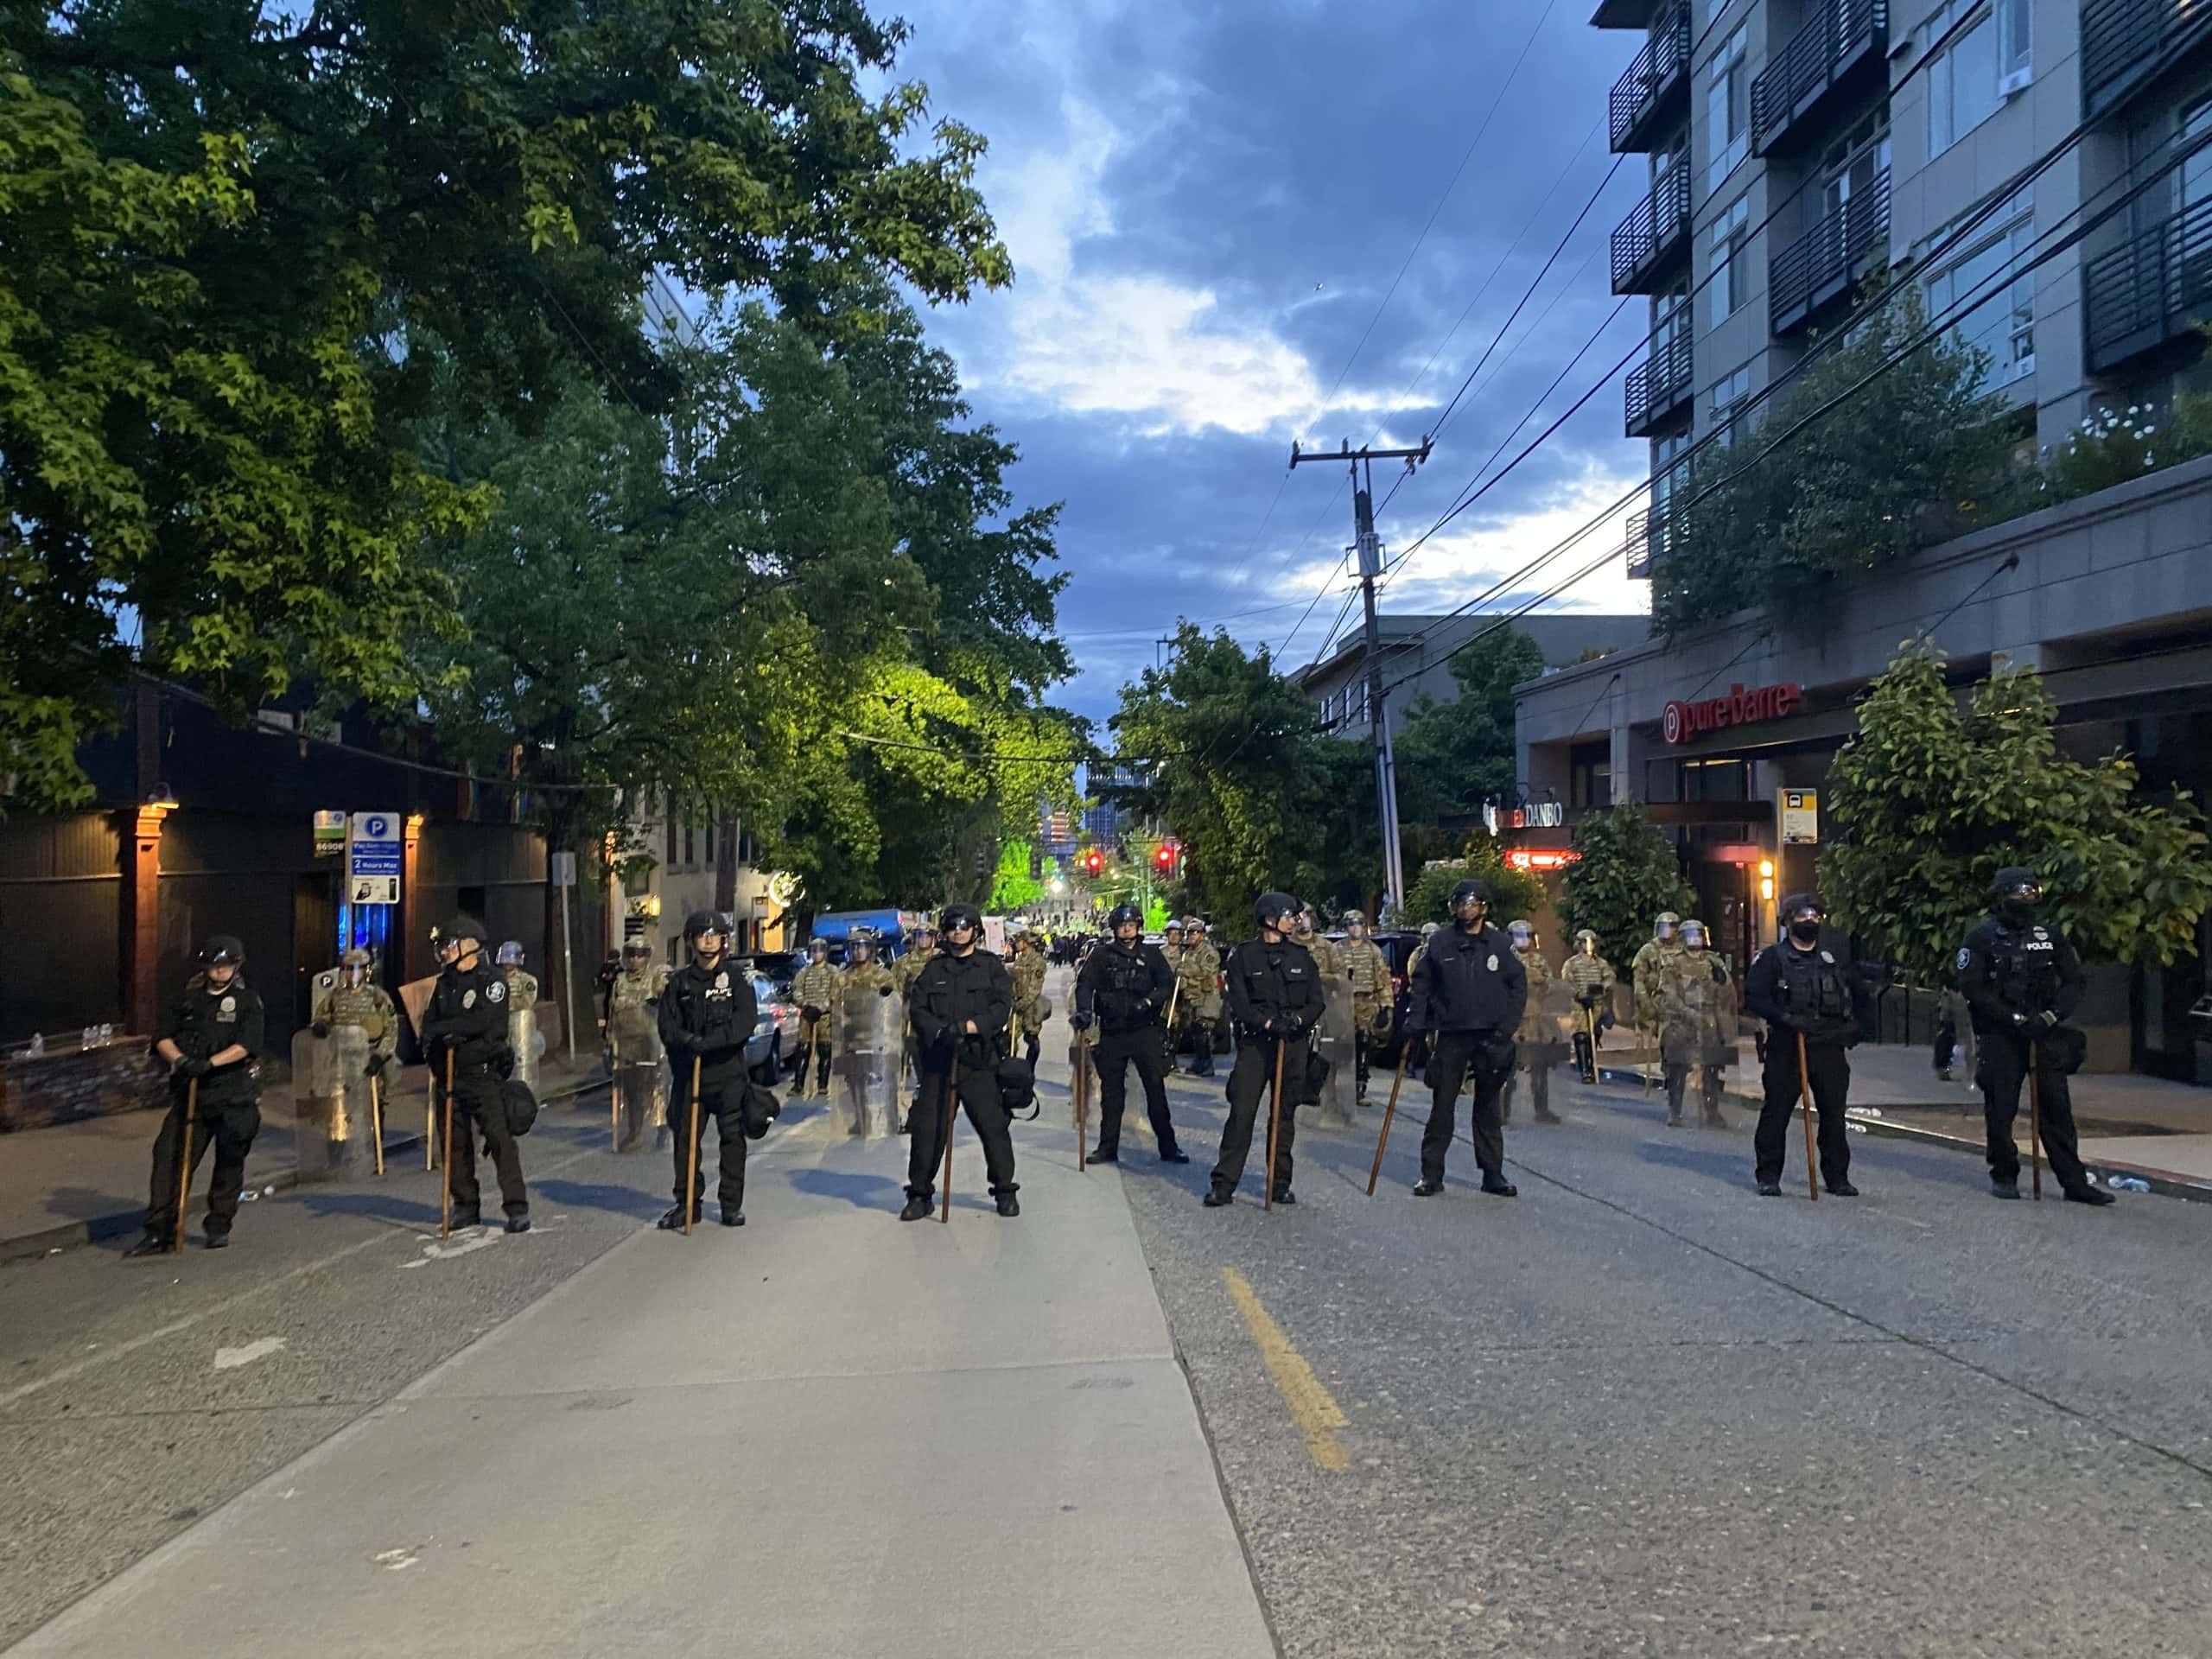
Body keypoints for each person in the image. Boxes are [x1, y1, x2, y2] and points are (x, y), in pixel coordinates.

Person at [1960, 868, 2113, 1205]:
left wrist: (2051, 1015)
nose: (2025, 900)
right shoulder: (1981, 938)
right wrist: (2012, 1018)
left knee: (2057, 1108)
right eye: (2018, 893)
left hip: (2044, 1031)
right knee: (2001, 1110)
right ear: (2001, 897)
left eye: (2031, 893)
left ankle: (2074, 1182)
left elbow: (2074, 981)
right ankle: (2004, 1173)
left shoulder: (2050, 936)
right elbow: (1973, 988)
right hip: (2002, 1034)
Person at [127, 936, 267, 1255]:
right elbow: (162, 1036)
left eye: (226, 965)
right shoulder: (186, 1000)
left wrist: (210, 1064)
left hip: (233, 1094)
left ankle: (218, 1224)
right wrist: (182, 1061)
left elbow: (247, 1045)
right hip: (191, 1092)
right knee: (170, 1157)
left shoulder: (247, 1002)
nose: (219, 971)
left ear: (236, 965)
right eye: (215, 965)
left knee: (229, 1162)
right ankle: (160, 1230)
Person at [1405, 880, 1527, 1198]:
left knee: (1488, 1108)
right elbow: (1422, 985)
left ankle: (1492, 1174)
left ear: (1484, 907)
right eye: (1460, 903)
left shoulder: (1500, 944)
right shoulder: (1441, 942)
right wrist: (1416, 1021)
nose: (1465, 909)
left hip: (1491, 1036)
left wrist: (1506, 1029)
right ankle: (1431, 1175)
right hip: (1451, 1035)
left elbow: (1518, 987)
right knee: (1442, 1106)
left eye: (1471, 903)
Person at [901, 902, 1019, 1220]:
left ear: (976, 931)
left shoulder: (990, 966)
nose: (958, 931)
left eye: (964, 926)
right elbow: (918, 1009)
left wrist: (970, 1027)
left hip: (978, 1061)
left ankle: (1005, 1190)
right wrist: (940, 1032)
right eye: (952, 926)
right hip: (941, 1061)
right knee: (928, 1130)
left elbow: (1001, 1005)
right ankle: (920, 1194)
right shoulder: (934, 970)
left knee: (993, 1127)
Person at [1205, 893, 1323, 1208]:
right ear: (1270, 918)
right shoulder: (1244, 956)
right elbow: (1240, 1004)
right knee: (1242, 1113)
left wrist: (1297, 1020)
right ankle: (1224, 1183)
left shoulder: (1302, 956)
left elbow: (1316, 1002)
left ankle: (1279, 1183)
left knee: (1283, 1117)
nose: (1295, 921)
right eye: (1289, 915)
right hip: (1257, 1044)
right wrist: (1268, 1024)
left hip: (1293, 1043)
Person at [1744, 893, 1865, 1197]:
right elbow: (1755, 998)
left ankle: (1837, 1176)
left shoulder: (1831, 959)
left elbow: (1858, 993)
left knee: (1834, 1114)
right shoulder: (1772, 959)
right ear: (1787, 921)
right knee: (1777, 1112)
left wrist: (1853, 1029)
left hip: (1827, 1048)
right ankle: (1769, 1175)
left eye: (1814, 916)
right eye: (1802, 916)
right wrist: (1784, 1018)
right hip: (1788, 1047)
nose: (1809, 921)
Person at [419, 916, 530, 1233]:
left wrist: (450, 1030)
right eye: (441, 946)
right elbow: (429, 1026)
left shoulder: (492, 982)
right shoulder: (444, 984)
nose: (443, 952)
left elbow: (484, 1024)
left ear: (469, 945)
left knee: (499, 1140)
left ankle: (516, 1207)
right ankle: (466, 1205)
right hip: (450, 1076)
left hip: (482, 1076)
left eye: (449, 944)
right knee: (454, 1144)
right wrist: (441, 1037)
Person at [656, 911, 760, 1230]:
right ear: (691, 940)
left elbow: (745, 1022)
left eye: (715, 935)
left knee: (732, 1138)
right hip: (691, 1075)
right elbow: (667, 1026)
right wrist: (688, 1041)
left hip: (727, 1073)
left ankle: (730, 1204)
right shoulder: (679, 983)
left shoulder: (737, 980)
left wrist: (712, 1043)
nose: (709, 940)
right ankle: (688, 1204)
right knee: (686, 1140)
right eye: (703, 934)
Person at [1072, 903, 1189, 1165]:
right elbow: (1085, 984)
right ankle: (1107, 1147)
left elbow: (1166, 985)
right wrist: (1084, 1012)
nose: (1127, 929)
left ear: (1138, 927)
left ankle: (1168, 1147)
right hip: (1113, 1031)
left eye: (1132, 925)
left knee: (1155, 1091)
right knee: (1112, 1096)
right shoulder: (1101, 955)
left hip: (1144, 1031)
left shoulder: (1151, 955)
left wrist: (1148, 1002)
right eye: (1122, 925)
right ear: (1114, 928)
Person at [1658, 919, 1733, 1129]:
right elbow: (1670, 995)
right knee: (1678, 1067)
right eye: (1691, 936)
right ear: (1683, 939)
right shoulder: (1672, 963)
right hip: (1681, 1021)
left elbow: (1727, 992)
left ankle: (1712, 1111)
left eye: (1698, 935)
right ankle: (1675, 1110)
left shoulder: (1712, 961)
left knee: (1712, 1066)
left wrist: (1723, 979)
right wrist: (1689, 1013)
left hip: (1709, 1018)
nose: (1696, 939)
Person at [604, 939, 671, 1150]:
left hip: (650, 1042)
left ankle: (662, 1129)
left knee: (656, 1087)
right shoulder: (620, 981)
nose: (635, 959)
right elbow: (612, 1011)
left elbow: (668, 1001)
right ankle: (633, 1132)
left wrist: (661, 1000)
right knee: (631, 1090)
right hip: (626, 1043)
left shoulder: (655, 979)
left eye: (640, 955)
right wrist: (609, 1038)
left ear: (647, 958)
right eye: (631, 955)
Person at [1503, 920, 1565, 1125]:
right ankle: (1503, 1112)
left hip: (1535, 1019)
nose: (1523, 940)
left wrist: (1541, 981)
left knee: (1540, 1066)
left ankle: (1542, 1110)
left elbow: (1551, 986)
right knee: (1507, 1068)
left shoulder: (1539, 961)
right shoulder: (1504, 959)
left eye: (1527, 935)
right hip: (1511, 1020)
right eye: (1519, 936)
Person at [1340, 910, 1393, 1103]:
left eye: (1360, 924)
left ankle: (1360, 1087)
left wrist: (1386, 1006)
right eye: (1352, 924)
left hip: (1366, 1003)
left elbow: (1383, 980)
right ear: (1346, 927)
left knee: (1364, 1043)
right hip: (1343, 1003)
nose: (1356, 928)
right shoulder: (1337, 950)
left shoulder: (1373, 951)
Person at [891, 925, 938, 1132]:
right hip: (910, 1022)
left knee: (933, 1072)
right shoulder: (903, 963)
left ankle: (930, 1113)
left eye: (927, 936)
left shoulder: (940, 961)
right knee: (909, 1067)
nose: (923, 940)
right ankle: (907, 1117)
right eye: (919, 936)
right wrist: (905, 994)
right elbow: (893, 990)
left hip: (936, 1022)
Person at [1561, 929, 1616, 1084]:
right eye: (1585, 942)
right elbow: (1567, 982)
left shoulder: (1601, 963)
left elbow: (1610, 978)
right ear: (1579, 944)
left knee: (1595, 1034)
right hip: (1579, 1005)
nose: (1588, 946)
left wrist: (1602, 988)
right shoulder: (1571, 963)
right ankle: (1584, 1070)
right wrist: (1579, 994)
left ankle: (1591, 1065)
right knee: (1581, 1035)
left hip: (1597, 1003)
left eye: (1591, 942)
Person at [1630, 912, 1684, 1061]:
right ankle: (1668, 1065)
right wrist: (1645, 1002)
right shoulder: (1648, 950)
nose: (1668, 931)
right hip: (1658, 1000)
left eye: (1671, 927)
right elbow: (1639, 979)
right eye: (1664, 927)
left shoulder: (1683, 949)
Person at [790, 938, 840, 1098]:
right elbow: (796, 990)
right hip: (807, 1015)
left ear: (825, 952)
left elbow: (836, 993)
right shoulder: (804, 972)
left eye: (820, 950)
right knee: (803, 1049)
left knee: (824, 1049)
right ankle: (798, 1085)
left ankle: (822, 1085)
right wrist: (805, 1005)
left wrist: (822, 1007)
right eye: (814, 950)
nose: (817, 954)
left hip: (825, 1017)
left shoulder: (833, 971)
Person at [1178, 917, 1224, 1077]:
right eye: (1190, 933)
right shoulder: (1188, 952)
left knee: (1203, 1030)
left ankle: (1206, 1064)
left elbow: (1205, 971)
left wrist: (1186, 971)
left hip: (1207, 996)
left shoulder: (1209, 952)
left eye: (1196, 933)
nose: (1192, 936)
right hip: (1192, 996)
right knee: (1195, 1031)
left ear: (1202, 935)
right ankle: (1199, 1063)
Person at [1007, 927, 1049, 1068]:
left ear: (1026, 943)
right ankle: (1011, 1067)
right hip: (1016, 1005)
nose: (1016, 944)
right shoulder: (1019, 960)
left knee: (1031, 1037)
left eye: (1019, 941)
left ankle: (1030, 1069)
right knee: (1010, 1038)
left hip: (1031, 1006)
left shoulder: (1038, 961)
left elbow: (1035, 988)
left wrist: (1023, 1003)